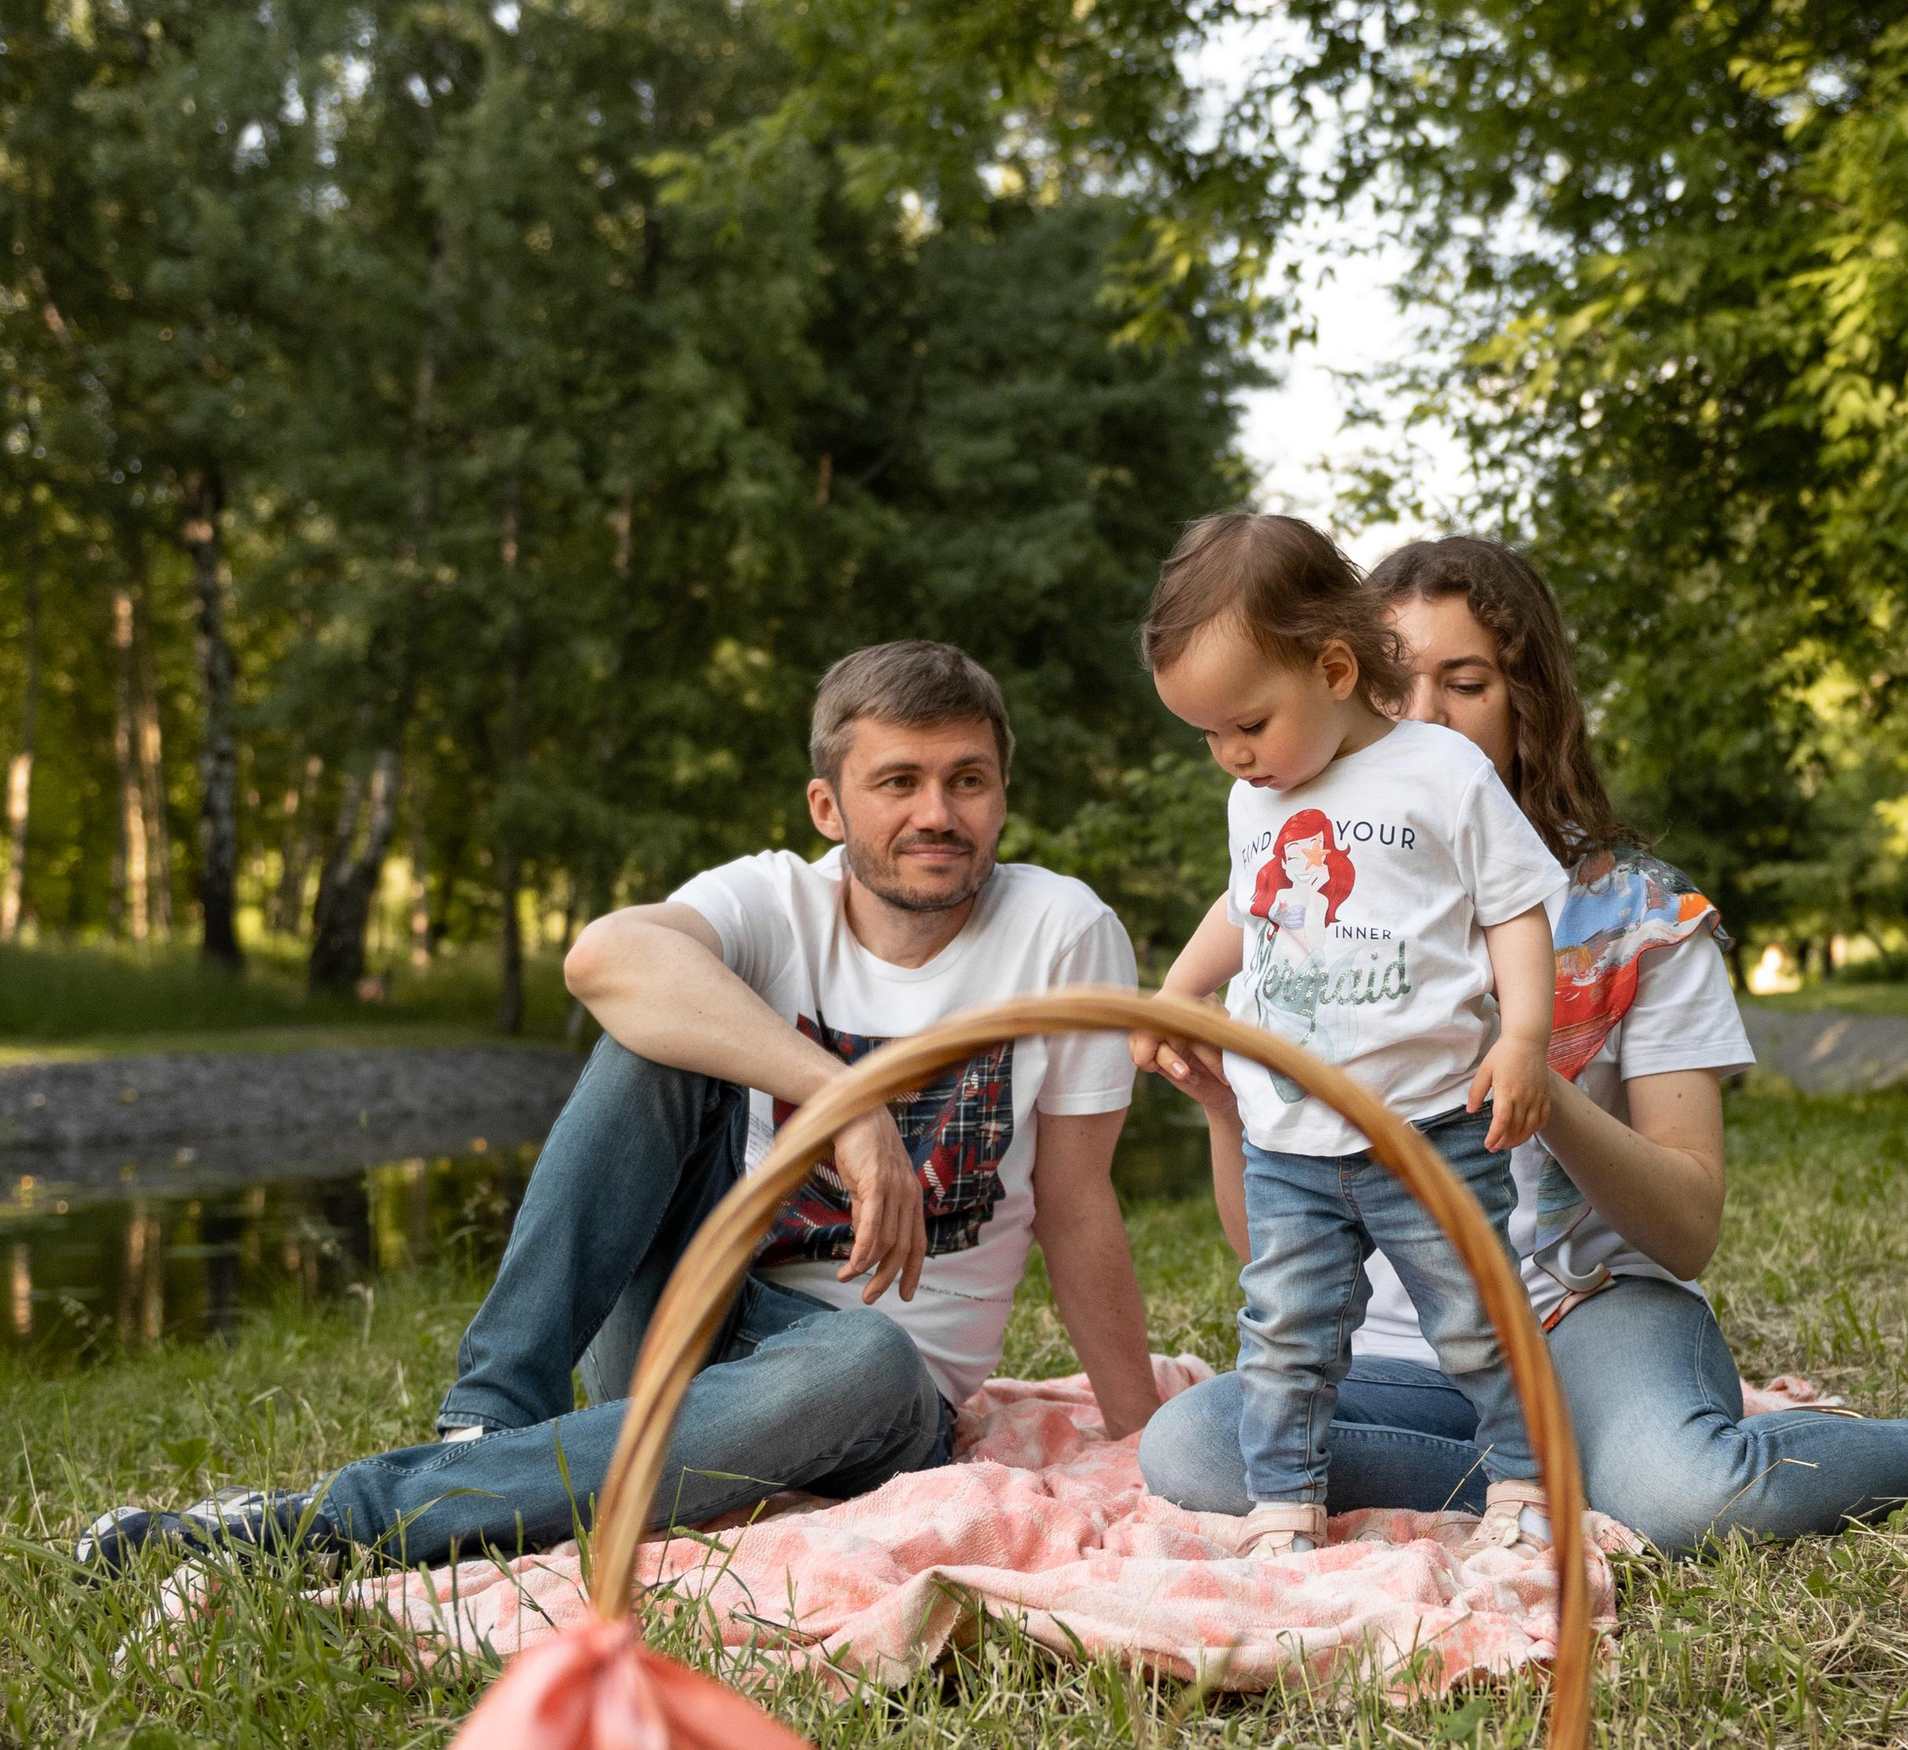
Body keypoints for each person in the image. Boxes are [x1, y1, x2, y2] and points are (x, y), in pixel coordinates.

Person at [1137, 537, 1908, 1548]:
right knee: (1195, 1442)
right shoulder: (1310, 892)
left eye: (1464, 683)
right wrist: (1233, 1108)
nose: (1425, 714)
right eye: (1394, 685)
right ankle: (1557, 1474)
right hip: (1404, 1352)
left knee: (1686, 1497)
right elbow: (1268, 1249)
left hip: (1589, 1316)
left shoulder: (1640, 918)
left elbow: (1688, 1228)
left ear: (1529, 701)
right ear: (1343, 683)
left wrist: (1542, 1086)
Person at [78, 640, 1159, 1577]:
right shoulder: (771, 899)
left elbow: (1073, 1205)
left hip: (867, 1392)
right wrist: (836, 1095)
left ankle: (327, 1523)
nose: (937, 814)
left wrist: (1138, 1443)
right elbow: (604, 957)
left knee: (867, 1354)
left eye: (967, 781)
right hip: (683, 1320)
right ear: (829, 806)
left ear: (1003, 793)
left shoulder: (1061, 932)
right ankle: (489, 1420)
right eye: (900, 782)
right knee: (657, 1034)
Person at [1130, 513, 1565, 1552]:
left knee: (1472, 1314)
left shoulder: (1440, 773)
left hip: (1425, 1125)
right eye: (1208, 736)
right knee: (1283, 1334)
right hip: (1288, 1131)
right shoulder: (1259, 797)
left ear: (1332, 668)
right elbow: (1246, 907)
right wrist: (1177, 992)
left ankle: (1524, 1481)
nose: (1231, 756)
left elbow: (1513, 908)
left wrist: (1523, 1040)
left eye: (1246, 724)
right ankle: (1284, 1505)